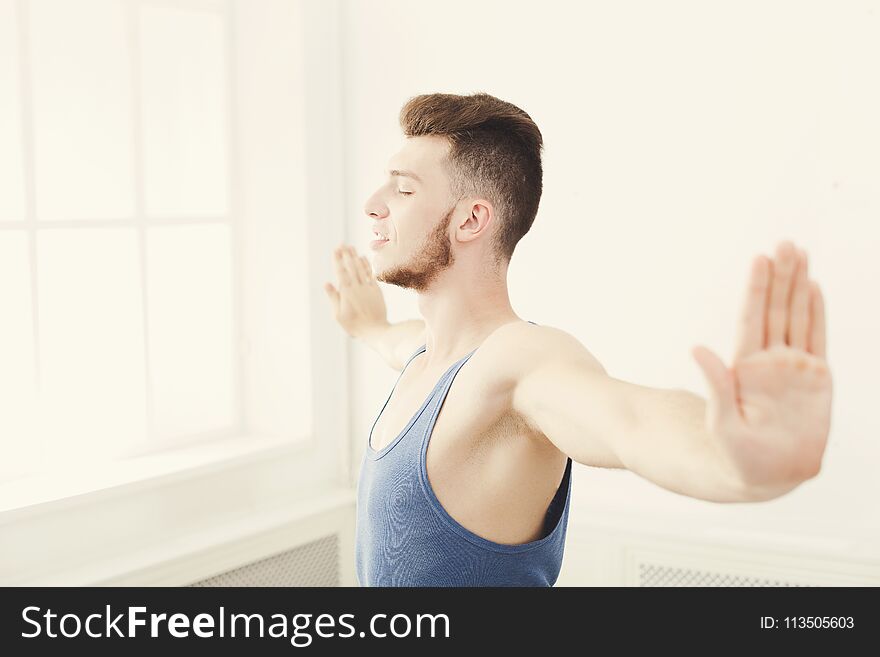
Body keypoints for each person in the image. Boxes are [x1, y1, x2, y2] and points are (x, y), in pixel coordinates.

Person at [323, 92, 833, 586]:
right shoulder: (423, 354)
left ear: (471, 220)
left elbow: (631, 419)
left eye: (403, 190)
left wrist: (732, 460)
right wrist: (369, 325)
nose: (373, 205)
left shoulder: (520, 362)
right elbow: (390, 339)